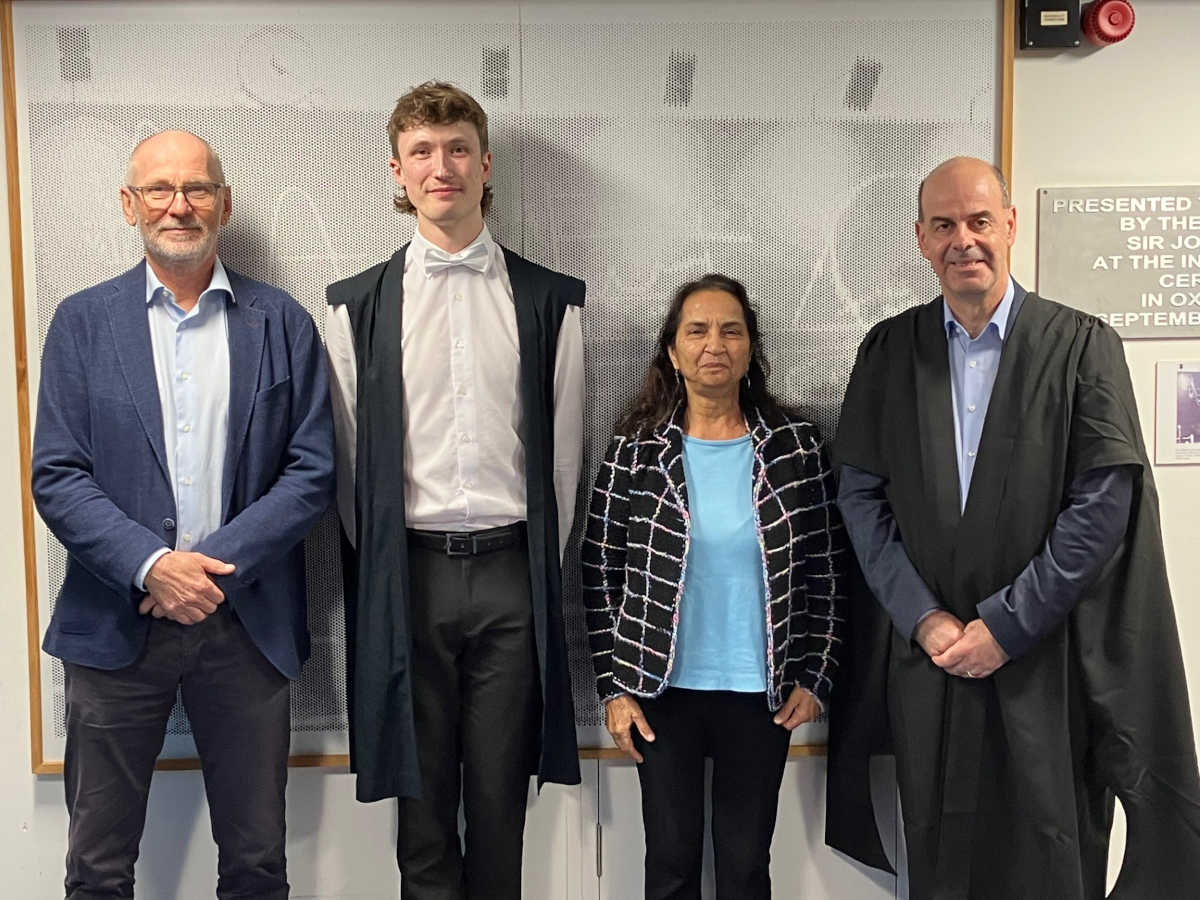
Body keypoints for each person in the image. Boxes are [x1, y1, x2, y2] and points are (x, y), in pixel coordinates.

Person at [826, 156, 1200, 899]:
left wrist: (1006, 624)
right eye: (944, 225)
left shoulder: (1080, 347)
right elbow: (860, 499)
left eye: (979, 221)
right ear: (921, 240)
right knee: (938, 854)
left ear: (1011, 227)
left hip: (1043, 659)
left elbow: (1103, 503)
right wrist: (925, 619)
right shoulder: (889, 352)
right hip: (929, 664)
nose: (964, 239)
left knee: (1048, 850)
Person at [32, 130, 334, 900]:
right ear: (129, 205)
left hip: (246, 625)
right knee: (96, 869)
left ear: (224, 204)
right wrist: (155, 567)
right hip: (115, 623)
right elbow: (59, 475)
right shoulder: (82, 322)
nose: (179, 205)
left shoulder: (284, 323)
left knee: (259, 865)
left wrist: (209, 574)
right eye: (160, 189)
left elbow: (311, 472)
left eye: (197, 188)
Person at [324, 81, 584, 899]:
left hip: (513, 575)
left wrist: (530, 564)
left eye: (458, 148)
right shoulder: (353, 305)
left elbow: (563, 464)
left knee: (502, 802)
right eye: (423, 152)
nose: (443, 167)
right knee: (423, 807)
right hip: (409, 574)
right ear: (396, 173)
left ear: (485, 163)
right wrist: (392, 566)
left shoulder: (551, 300)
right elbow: (350, 469)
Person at [582, 273, 848, 900]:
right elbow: (598, 574)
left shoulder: (796, 449)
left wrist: (818, 676)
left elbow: (829, 572)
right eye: (696, 330)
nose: (714, 344)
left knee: (746, 867)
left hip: (763, 692)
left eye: (731, 330)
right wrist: (613, 688)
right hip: (660, 692)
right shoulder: (633, 452)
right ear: (672, 352)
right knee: (670, 866)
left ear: (750, 347)